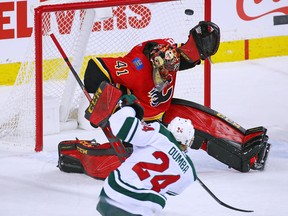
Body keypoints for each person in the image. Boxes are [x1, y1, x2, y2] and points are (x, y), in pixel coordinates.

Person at [84, 21, 220, 122]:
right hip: (137, 123)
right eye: (165, 70)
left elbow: (184, 56)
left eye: (173, 66)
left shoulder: (171, 56)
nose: (168, 73)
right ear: (155, 65)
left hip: (158, 119)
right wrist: (110, 107)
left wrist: (199, 46)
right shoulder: (137, 71)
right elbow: (93, 69)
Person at [96, 104, 197, 216]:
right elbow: (173, 191)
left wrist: (132, 109)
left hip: (115, 190)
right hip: (144, 205)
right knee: (159, 199)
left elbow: (119, 125)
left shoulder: (159, 132)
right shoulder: (190, 173)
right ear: (188, 141)